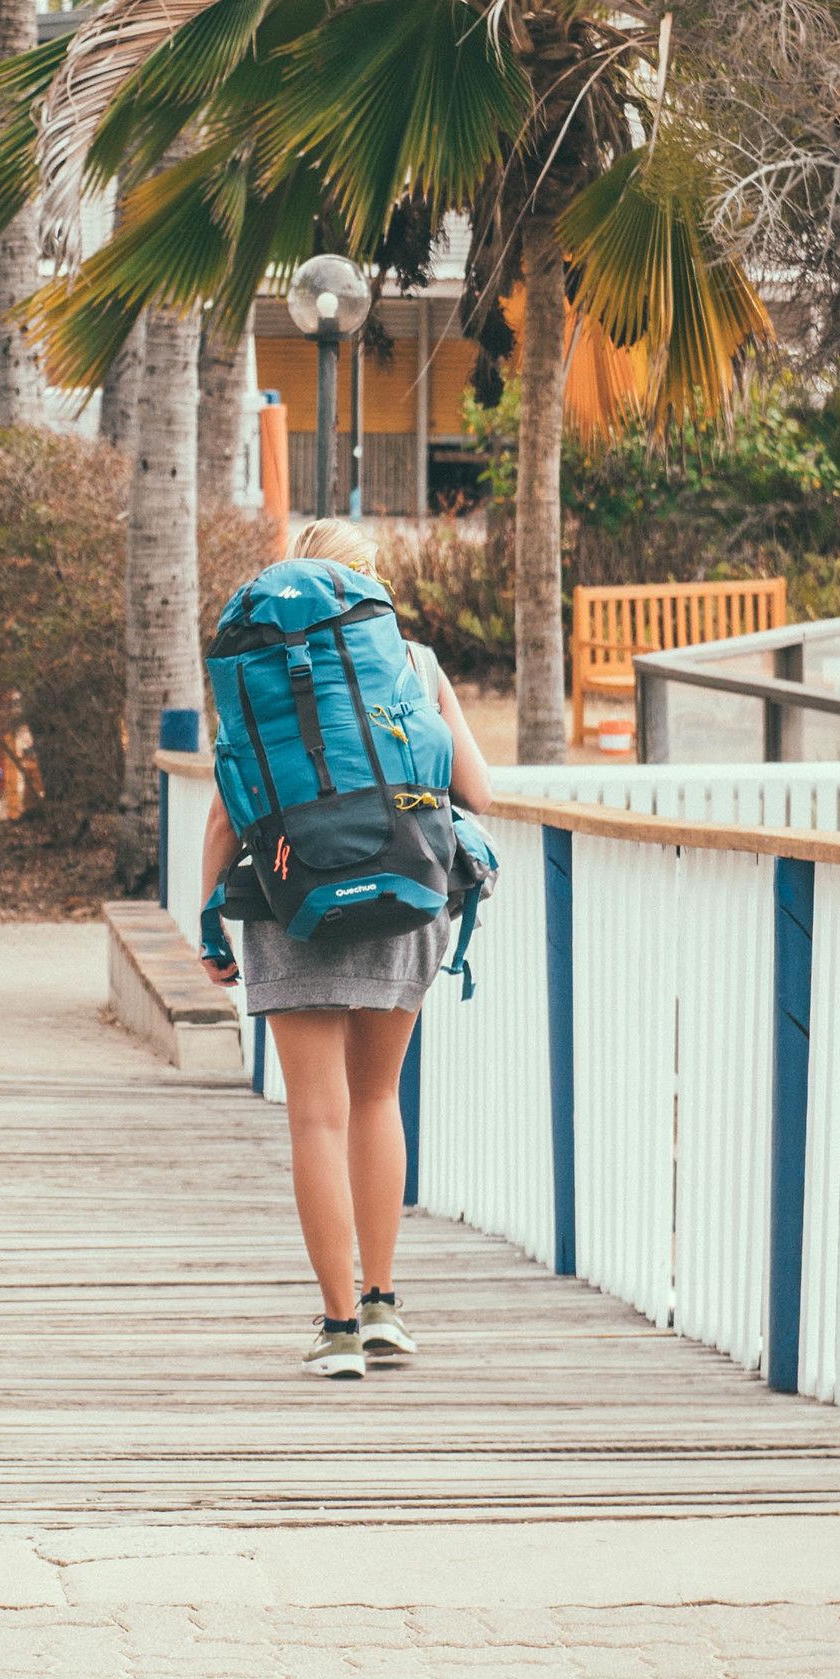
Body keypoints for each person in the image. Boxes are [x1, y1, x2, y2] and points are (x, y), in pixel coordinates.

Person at [198, 517, 495, 1380]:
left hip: (291, 902)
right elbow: (479, 789)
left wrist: (211, 912)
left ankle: (334, 1330)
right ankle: (383, 1307)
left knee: (315, 1115)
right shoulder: (415, 664)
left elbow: (226, 808)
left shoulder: (260, 667)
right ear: (371, 586)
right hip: (406, 895)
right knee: (376, 1099)